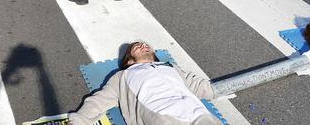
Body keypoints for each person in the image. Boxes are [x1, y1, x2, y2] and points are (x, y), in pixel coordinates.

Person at [68, 41, 221, 125]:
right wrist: (79, 121)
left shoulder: (170, 67)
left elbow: (196, 85)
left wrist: (220, 88)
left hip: (198, 113)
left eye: (146, 45)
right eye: (137, 46)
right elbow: (99, 101)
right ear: (128, 60)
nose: (143, 45)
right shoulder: (123, 76)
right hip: (162, 116)